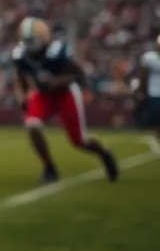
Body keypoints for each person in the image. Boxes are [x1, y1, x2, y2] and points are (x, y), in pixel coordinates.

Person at [12, 16, 118, 184]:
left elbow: (79, 74)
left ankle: (104, 153)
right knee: (32, 125)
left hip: (65, 93)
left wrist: (58, 81)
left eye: (32, 39)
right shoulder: (21, 54)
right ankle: (49, 167)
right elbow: (19, 74)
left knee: (79, 141)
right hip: (43, 94)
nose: (30, 44)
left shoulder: (57, 51)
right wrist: (22, 95)